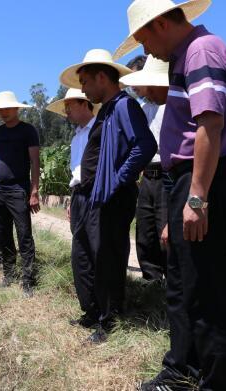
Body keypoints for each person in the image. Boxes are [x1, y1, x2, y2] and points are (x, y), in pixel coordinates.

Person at [115, 0, 226, 389]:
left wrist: (197, 198)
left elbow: (209, 125)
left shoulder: (201, 51)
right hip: (189, 177)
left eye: (142, 38)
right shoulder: (184, 57)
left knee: (207, 287)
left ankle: (220, 381)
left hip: (205, 177)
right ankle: (183, 366)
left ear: (159, 25)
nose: (143, 49)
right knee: (184, 282)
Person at [60, 48, 157, 342]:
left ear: (102, 77)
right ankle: (93, 312)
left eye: (86, 82)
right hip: (94, 197)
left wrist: (117, 180)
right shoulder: (109, 110)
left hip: (112, 198)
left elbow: (144, 145)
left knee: (108, 259)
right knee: (85, 256)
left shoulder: (125, 106)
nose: (85, 88)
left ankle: (110, 319)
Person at [0, 91, 40, 297]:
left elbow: (35, 162)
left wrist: (34, 191)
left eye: (7, 108)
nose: (4, 112)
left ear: (16, 109)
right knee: (2, 234)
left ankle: (28, 280)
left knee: (24, 235)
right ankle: (9, 273)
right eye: (0, 109)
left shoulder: (28, 131)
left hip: (19, 190)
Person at [121, 55, 171, 282]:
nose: (132, 85)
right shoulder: (138, 108)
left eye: (136, 79)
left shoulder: (169, 105)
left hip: (166, 175)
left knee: (166, 233)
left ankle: (173, 287)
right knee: (145, 233)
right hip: (146, 178)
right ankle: (151, 282)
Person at [45, 88, 100, 219]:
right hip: (78, 194)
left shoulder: (100, 130)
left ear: (85, 104)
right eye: (65, 107)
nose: (66, 111)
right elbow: (75, 173)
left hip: (95, 193)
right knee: (78, 238)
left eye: (69, 105)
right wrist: (72, 201)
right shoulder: (76, 138)